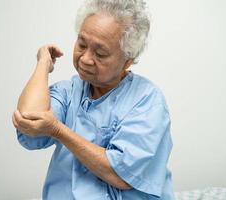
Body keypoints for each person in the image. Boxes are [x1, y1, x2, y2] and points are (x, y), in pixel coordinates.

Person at [12, 0, 175, 199]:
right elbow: (29, 123)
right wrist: (43, 64)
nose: (86, 59)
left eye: (100, 53)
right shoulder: (69, 91)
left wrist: (57, 129)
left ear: (128, 59)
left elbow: (121, 174)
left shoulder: (147, 101)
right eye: (81, 44)